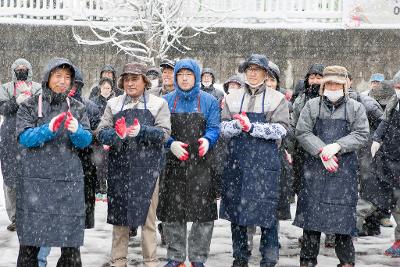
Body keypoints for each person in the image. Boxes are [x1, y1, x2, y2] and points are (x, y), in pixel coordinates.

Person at [15, 57, 92, 267]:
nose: (62, 81)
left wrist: (77, 131)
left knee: (70, 247)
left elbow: (86, 142)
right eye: (58, 76)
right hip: (35, 184)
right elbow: (23, 137)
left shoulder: (77, 108)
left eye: (67, 77)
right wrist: (47, 130)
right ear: (48, 77)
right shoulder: (30, 105)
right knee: (30, 243)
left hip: (68, 183)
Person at [96, 62, 171, 267]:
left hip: (148, 171)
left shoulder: (158, 104)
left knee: (148, 220)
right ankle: (118, 260)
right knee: (120, 220)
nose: (130, 83)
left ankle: (150, 261)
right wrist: (116, 134)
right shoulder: (114, 104)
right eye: (127, 79)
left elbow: (164, 133)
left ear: (144, 81)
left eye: (135, 79)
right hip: (119, 170)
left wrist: (143, 131)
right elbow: (101, 132)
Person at [294, 66, 369, 267]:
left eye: (337, 83)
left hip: (343, 174)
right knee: (312, 223)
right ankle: (307, 262)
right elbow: (302, 132)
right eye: (329, 83)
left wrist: (338, 146)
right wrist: (321, 151)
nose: (333, 86)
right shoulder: (311, 106)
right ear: (323, 85)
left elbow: (362, 134)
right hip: (315, 172)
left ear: (344, 85)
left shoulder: (355, 107)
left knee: (343, 224)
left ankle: (346, 262)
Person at [219, 54, 289, 267]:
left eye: (257, 69)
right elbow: (222, 128)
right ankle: (240, 257)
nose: (252, 73)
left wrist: (253, 128)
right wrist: (236, 126)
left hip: (265, 166)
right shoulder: (231, 98)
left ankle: (269, 258)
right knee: (237, 215)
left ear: (265, 73)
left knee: (267, 215)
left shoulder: (277, 99)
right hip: (237, 164)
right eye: (249, 69)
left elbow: (282, 129)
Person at [158, 58, 220, 267]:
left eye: (189, 74)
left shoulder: (209, 101)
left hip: (201, 164)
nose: (184, 79)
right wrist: (170, 143)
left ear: (196, 76)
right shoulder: (166, 100)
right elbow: (161, 129)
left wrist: (208, 140)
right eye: (180, 75)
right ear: (175, 77)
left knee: (203, 215)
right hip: (174, 163)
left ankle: (198, 257)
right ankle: (175, 257)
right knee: (173, 213)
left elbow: (214, 127)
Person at [0, 58, 41, 232]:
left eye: (25, 68)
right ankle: (15, 217)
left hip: (30, 134)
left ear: (30, 70)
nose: (21, 70)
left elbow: (41, 109)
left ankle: (32, 214)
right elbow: (1, 109)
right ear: (13, 70)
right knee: (10, 179)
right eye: (18, 68)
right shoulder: (5, 88)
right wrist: (15, 101)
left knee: (31, 177)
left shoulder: (37, 87)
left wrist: (30, 99)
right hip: (9, 138)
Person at [368, 70, 400, 257]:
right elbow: (384, 122)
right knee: (394, 203)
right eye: (396, 86)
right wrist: (377, 139)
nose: (398, 89)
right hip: (390, 159)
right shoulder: (394, 103)